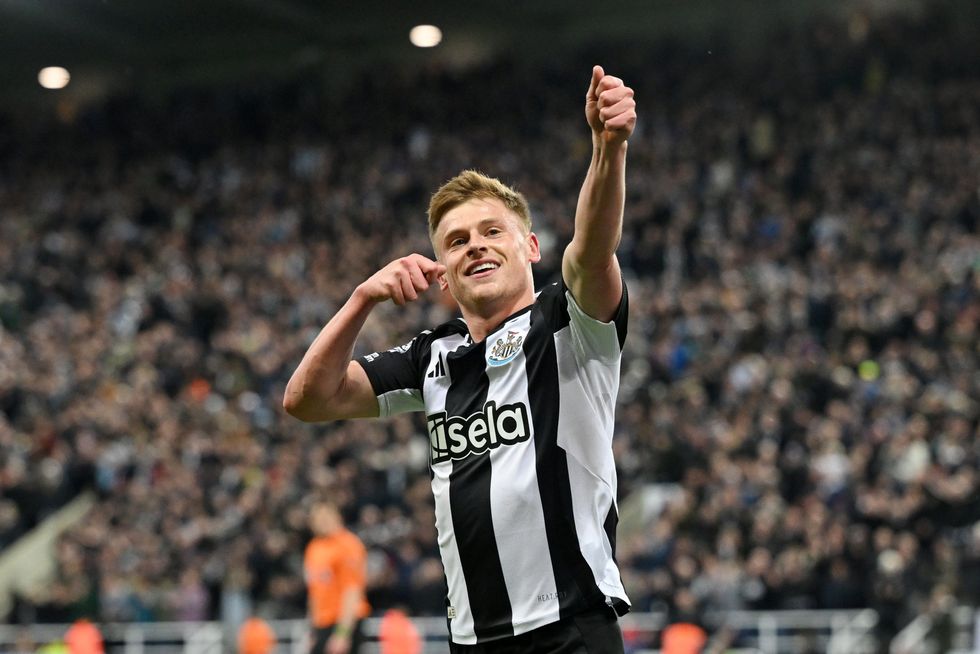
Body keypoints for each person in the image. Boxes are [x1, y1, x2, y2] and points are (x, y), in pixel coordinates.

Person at [285, 65, 636, 653]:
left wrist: (607, 151)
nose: (474, 244)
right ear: (443, 276)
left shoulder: (567, 323)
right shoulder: (431, 357)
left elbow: (593, 249)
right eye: (455, 240)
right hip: (471, 640)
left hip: (569, 630)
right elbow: (306, 400)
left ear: (530, 248)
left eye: (492, 231)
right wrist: (361, 298)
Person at [304, 501, 371, 654]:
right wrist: (312, 630)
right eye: (317, 518)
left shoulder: (348, 545)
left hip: (343, 622)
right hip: (322, 623)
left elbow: (352, 591)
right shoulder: (313, 548)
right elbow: (314, 592)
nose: (322, 521)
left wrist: (342, 634)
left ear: (337, 517)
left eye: (326, 516)